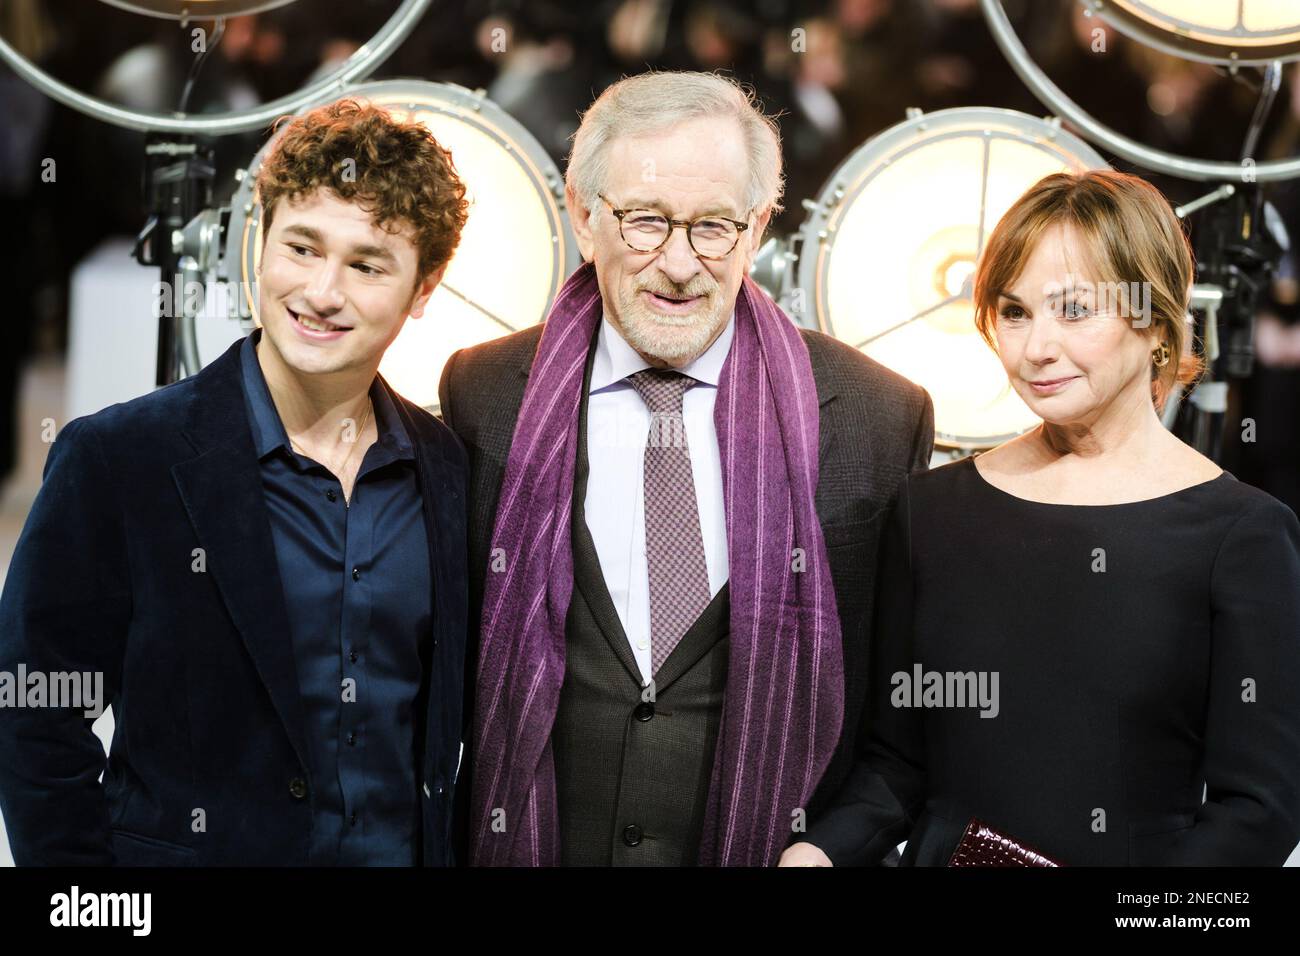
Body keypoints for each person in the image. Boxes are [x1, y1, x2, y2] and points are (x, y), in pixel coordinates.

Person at [438, 70, 934, 867]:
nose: (678, 262)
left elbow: (903, 737)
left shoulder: (879, 416)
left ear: (761, 226)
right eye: (644, 222)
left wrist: (829, 854)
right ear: (583, 215)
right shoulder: (482, 392)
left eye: (713, 226)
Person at [781, 169, 1300, 866]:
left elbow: (1258, 814)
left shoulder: (1243, 535)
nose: (1035, 348)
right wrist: (817, 851)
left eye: (1074, 310)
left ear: (1154, 320)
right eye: (1015, 311)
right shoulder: (934, 509)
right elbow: (897, 766)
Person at [0, 98, 471, 866]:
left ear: (423, 290)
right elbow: (35, 715)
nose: (322, 291)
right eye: (301, 247)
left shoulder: (444, 465)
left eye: (366, 264)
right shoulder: (119, 458)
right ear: (257, 242)